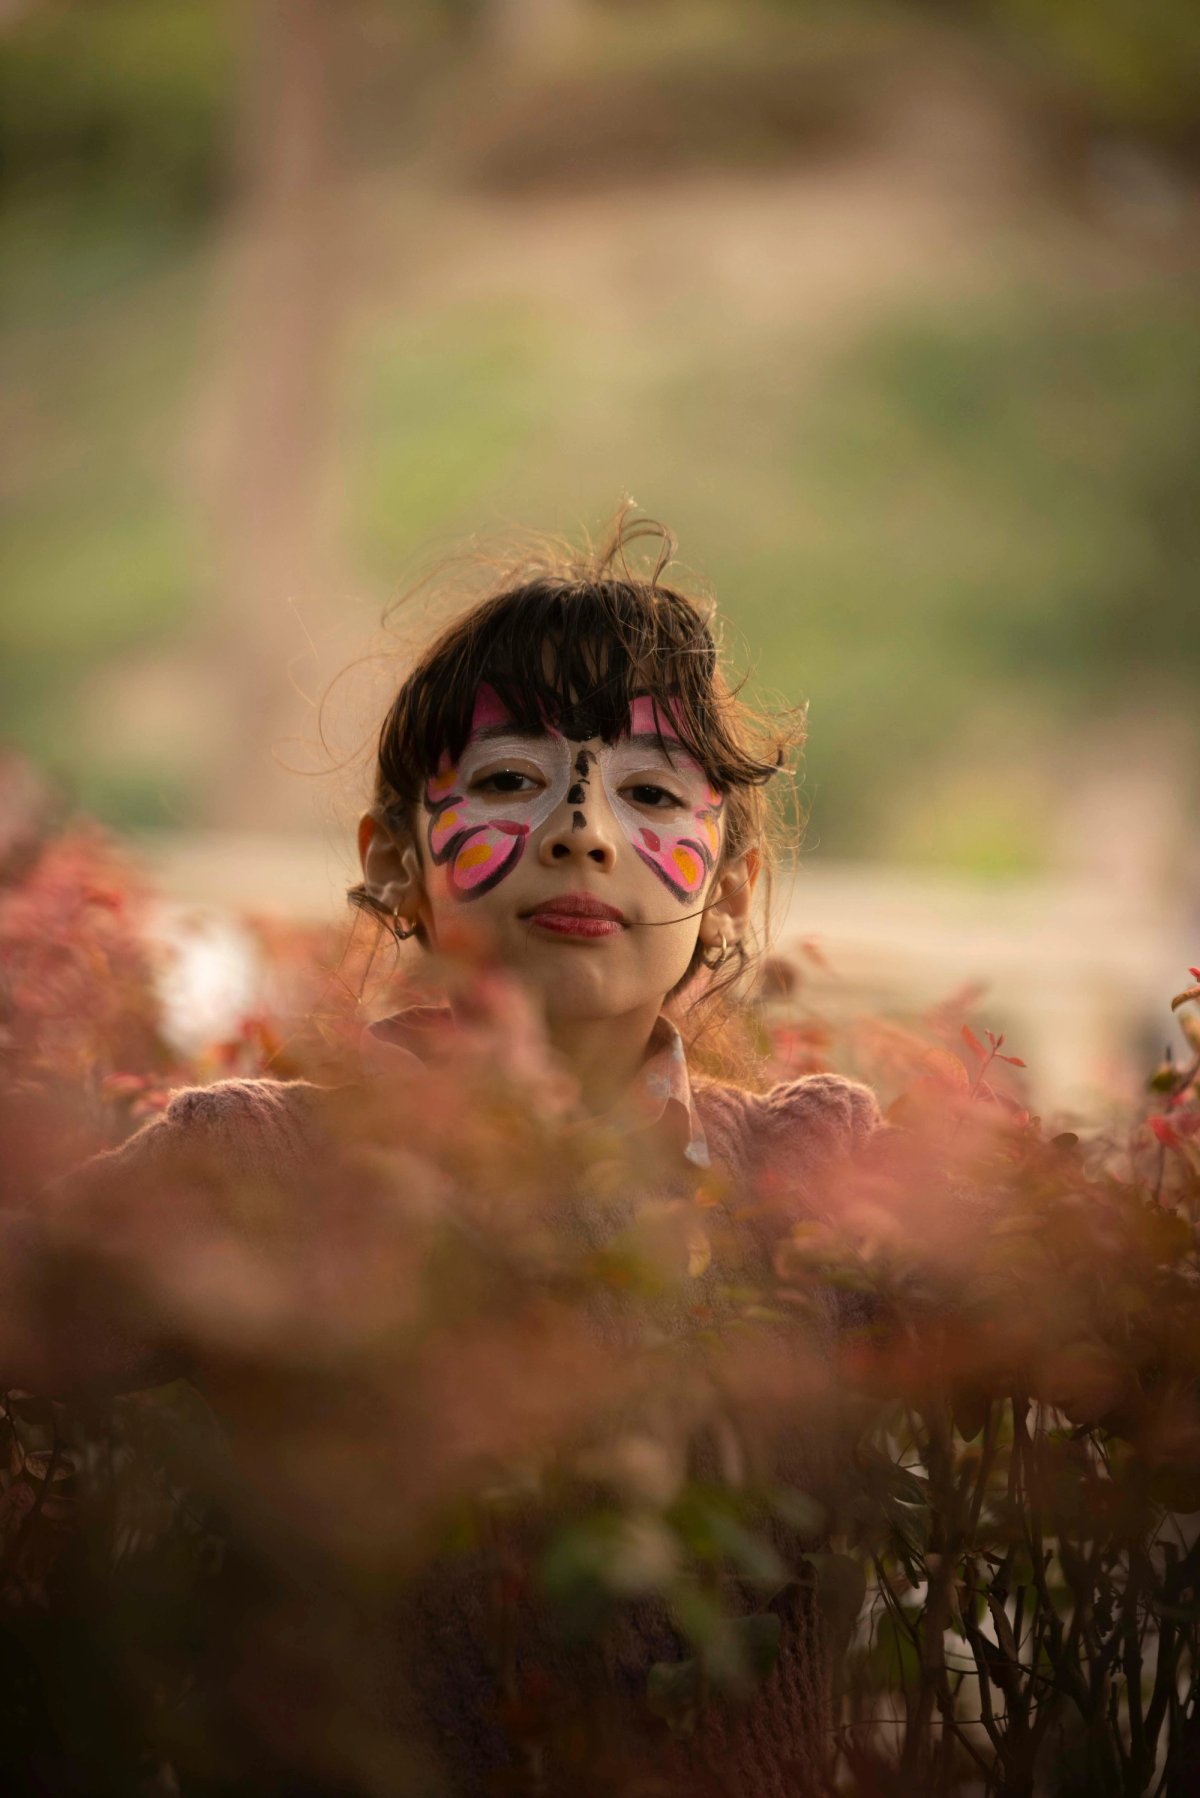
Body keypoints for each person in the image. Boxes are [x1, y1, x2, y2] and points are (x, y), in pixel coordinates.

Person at [7, 511, 884, 1795]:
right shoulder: (261, 1162)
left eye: (647, 794)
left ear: (732, 888)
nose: (582, 832)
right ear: (394, 861)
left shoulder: (807, 1173)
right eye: (513, 780)